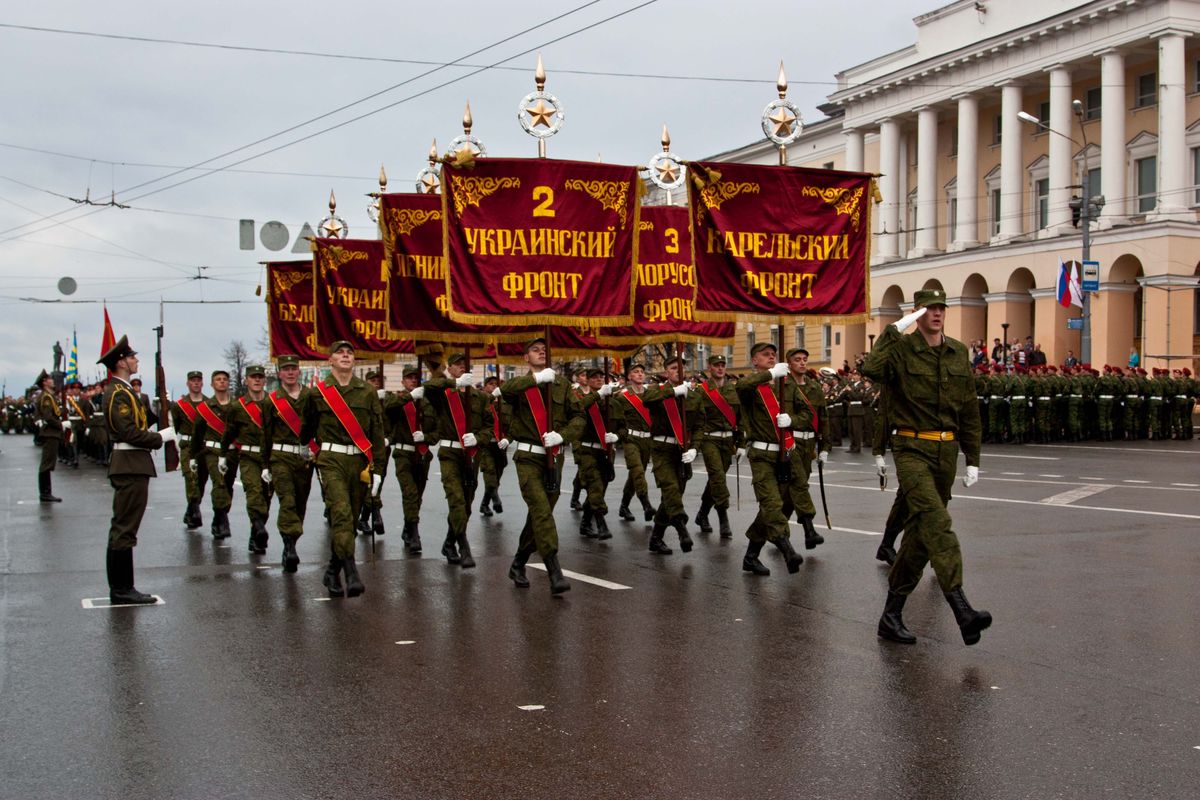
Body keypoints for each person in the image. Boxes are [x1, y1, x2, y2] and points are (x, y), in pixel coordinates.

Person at [862, 288, 990, 647]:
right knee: (937, 523)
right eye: (928, 309)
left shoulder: (957, 352)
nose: (936, 313)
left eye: (940, 308)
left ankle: (890, 616)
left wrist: (973, 458)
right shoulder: (902, 349)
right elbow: (871, 368)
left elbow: (968, 410)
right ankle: (962, 608)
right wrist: (895, 328)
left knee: (919, 538)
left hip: (945, 452)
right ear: (917, 313)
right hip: (911, 448)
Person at [499, 337, 584, 595]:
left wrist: (564, 435)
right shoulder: (520, 384)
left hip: (554, 457)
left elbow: (578, 416)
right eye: (535, 350)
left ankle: (518, 563)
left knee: (540, 514)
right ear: (526, 357)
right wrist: (536, 380)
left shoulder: (562, 385)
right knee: (542, 511)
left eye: (544, 350)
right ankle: (554, 570)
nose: (541, 353)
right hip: (528, 458)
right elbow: (506, 391)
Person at [303, 341, 386, 598]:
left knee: (350, 519)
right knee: (340, 514)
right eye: (339, 352)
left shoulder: (367, 392)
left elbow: (377, 431)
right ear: (330, 360)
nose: (346, 355)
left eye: (349, 353)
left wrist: (379, 471)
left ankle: (331, 571)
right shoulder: (317, 393)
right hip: (331, 460)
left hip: (360, 463)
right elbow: (306, 430)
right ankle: (351, 572)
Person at [97, 335, 175, 604]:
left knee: (126, 526)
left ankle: (123, 586)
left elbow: (140, 421)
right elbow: (127, 431)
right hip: (129, 464)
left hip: (134, 464)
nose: (136, 360)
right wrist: (160, 438)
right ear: (121, 362)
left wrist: (158, 407)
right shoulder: (117, 393)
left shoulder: (126, 391)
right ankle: (121, 589)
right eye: (132, 357)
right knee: (124, 527)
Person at [735, 342, 807, 576]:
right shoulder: (752, 387)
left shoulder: (785, 386)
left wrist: (792, 420)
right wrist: (769, 374)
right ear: (754, 361)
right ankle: (788, 551)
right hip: (762, 455)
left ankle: (751, 556)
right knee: (771, 504)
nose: (771, 358)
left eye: (773, 355)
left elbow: (808, 413)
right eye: (765, 355)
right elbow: (742, 385)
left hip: (785, 453)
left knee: (782, 504)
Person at [422, 352, 493, 568]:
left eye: (465, 364)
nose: (462, 367)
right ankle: (464, 547)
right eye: (457, 364)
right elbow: (428, 388)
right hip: (450, 453)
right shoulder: (443, 393)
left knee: (467, 504)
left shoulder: (480, 397)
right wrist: (454, 383)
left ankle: (449, 542)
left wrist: (478, 438)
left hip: (472, 454)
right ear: (450, 368)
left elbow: (489, 427)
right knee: (456, 499)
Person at [642, 356, 702, 555]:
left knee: (672, 495)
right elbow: (646, 400)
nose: (679, 371)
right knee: (671, 490)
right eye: (674, 368)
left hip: (682, 451)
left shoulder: (693, 396)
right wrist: (672, 392)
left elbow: (700, 426)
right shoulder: (657, 391)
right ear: (667, 372)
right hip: (661, 449)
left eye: (682, 368)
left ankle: (656, 538)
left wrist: (695, 448)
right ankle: (682, 530)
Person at [260, 355, 313, 573]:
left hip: (304, 459)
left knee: (300, 502)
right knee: (287, 500)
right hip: (280, 457)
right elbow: (266, 434)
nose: (290, 372)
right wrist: (265, 465)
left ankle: (292, 539)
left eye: (294, 368)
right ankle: (289, 546)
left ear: (299, 371)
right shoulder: (271, 401)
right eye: (286, 369)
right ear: (279, 373)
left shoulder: (311, 396)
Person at [782, 347, 831, 549]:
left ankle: (778, 530)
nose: (802, 363)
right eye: (797, 359)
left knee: (791, 492)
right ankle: (809, 530)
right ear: (789, 364)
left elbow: (823, 418)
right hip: (791, 442)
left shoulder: (814, 387)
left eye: (804, 359)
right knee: (799, 484)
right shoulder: (783, 386)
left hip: (809, 444)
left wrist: (824, 447)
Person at [221, 365, 273, 555]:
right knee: (253, 492)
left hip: (270, 457)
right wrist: (222, 454)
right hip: (249, 456)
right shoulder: (238, 406)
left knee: (266, 497)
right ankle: (259, 527)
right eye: (253, 377)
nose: (257, 380)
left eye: (260, 377)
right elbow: (229, 432)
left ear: (265, 380)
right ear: (246, 380)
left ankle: (255, 533)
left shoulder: (273, 403)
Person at [385, 365, 432, 553]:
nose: (413, 380)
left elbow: (435, 428)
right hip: (403, 454)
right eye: (409, 378)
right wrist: (410, 397)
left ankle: (408, 526)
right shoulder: (396, 399)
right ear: (403, 381)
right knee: (410, 493)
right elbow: (388, 408)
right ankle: (414, 533)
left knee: (417, 497)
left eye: (416, 377)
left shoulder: (427, 402)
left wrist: (427, 438)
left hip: (422, 453)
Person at [187, 370, 237, 539]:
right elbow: (197, 433)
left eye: (224, 379)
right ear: (212, 384)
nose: (222, 382)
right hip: (212, 451)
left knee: (228, 485)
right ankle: (222, 519)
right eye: (218, 379)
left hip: (232, 451)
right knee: (220, 483)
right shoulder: (206, 408)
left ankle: (219, 515)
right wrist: (193, 456)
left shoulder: (237, 406)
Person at [694, 354, 740, 538]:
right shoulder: (701, 390)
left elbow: (740, 417)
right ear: (709, 368)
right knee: (718, 477)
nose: (720, 368)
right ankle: (723, 518)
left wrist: (741, 442)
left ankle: (702, 514)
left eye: (723, 365)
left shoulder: (733, 390)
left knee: (715, 479)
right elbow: (695, 418)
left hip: (728, 440)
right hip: (709, 439)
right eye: (716, 365)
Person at [574, 368, 620, 541]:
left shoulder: (613, 403)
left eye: (602, 376)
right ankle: (601, 524)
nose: (599, 379)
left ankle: (585, 523)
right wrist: (598, 395)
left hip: (607, 451)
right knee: (595, 487)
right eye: (594, 377)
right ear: (587, 380)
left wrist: (617, 436)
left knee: (600, 489)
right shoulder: (582, 400)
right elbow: (578, 408)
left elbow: (622, 426)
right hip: (587, 450)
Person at [611, 363, 656, 522]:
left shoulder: (651, 394)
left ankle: (624, 506)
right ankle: (646, 505)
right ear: (629, 376)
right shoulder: (622, 396)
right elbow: (613, 415)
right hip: (630, 439)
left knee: (636, 475)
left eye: (642, 371)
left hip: (647, 440)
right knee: (637, 471)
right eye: (636, 372)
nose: (639, 374)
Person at [170, 370, 209, 529]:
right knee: (190, 477)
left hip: (204, 447)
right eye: (193, 380)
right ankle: (195, 510)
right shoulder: (180, 405)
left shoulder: (209, 403)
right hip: (187, 446)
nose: (196, 383)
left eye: (198, 380)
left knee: (201, 479)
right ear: (187, 383)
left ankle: (191, 509)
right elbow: (176, 427)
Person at [357, 370, 391, 539]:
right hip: (364, 448)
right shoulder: (361, 396)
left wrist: (388, 438)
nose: (376, 383)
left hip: (381, 449)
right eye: (372, 380)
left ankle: (364, 518)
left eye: (379, 379)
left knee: (378, 483)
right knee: (367, 484)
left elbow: (392, 423)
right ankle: (375, 515)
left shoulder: (387, 399)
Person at [477, 375, 509, 518]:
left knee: (496, 478)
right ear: (485, 386)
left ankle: (484, 504)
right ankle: (496, 500)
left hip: (499, 445)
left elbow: (509, 423)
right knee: (489, 474)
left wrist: (507, 439)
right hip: (485, 444)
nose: (494, 386)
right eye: (490, 384)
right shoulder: (480, 400)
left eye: (496, 384)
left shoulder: (503, 403)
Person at [33, 370, 63, 502]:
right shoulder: (46, 397)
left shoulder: (49, 396)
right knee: (46, 463)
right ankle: (45, 493)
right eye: (50, 379)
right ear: (44, 382)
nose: (52, 380)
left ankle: (46, 492)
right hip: (50, 432)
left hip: (51, 432)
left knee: (48, 462)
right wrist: (61, 425)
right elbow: (48, 416)